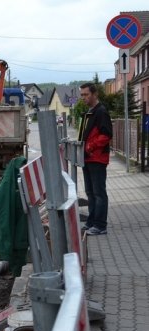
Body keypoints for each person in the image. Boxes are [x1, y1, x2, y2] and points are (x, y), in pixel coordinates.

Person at [78, 82, 112, 236]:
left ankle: (100, 225)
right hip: (88, 159)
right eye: (82, 95)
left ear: (94, 94)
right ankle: (91, 222)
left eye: (86, 94)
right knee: (90, 192)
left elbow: (106, 135)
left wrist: (90, 147)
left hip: (97, 158)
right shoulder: (91, 112)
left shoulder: (101, 112)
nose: (83, 97)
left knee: (98, 193)